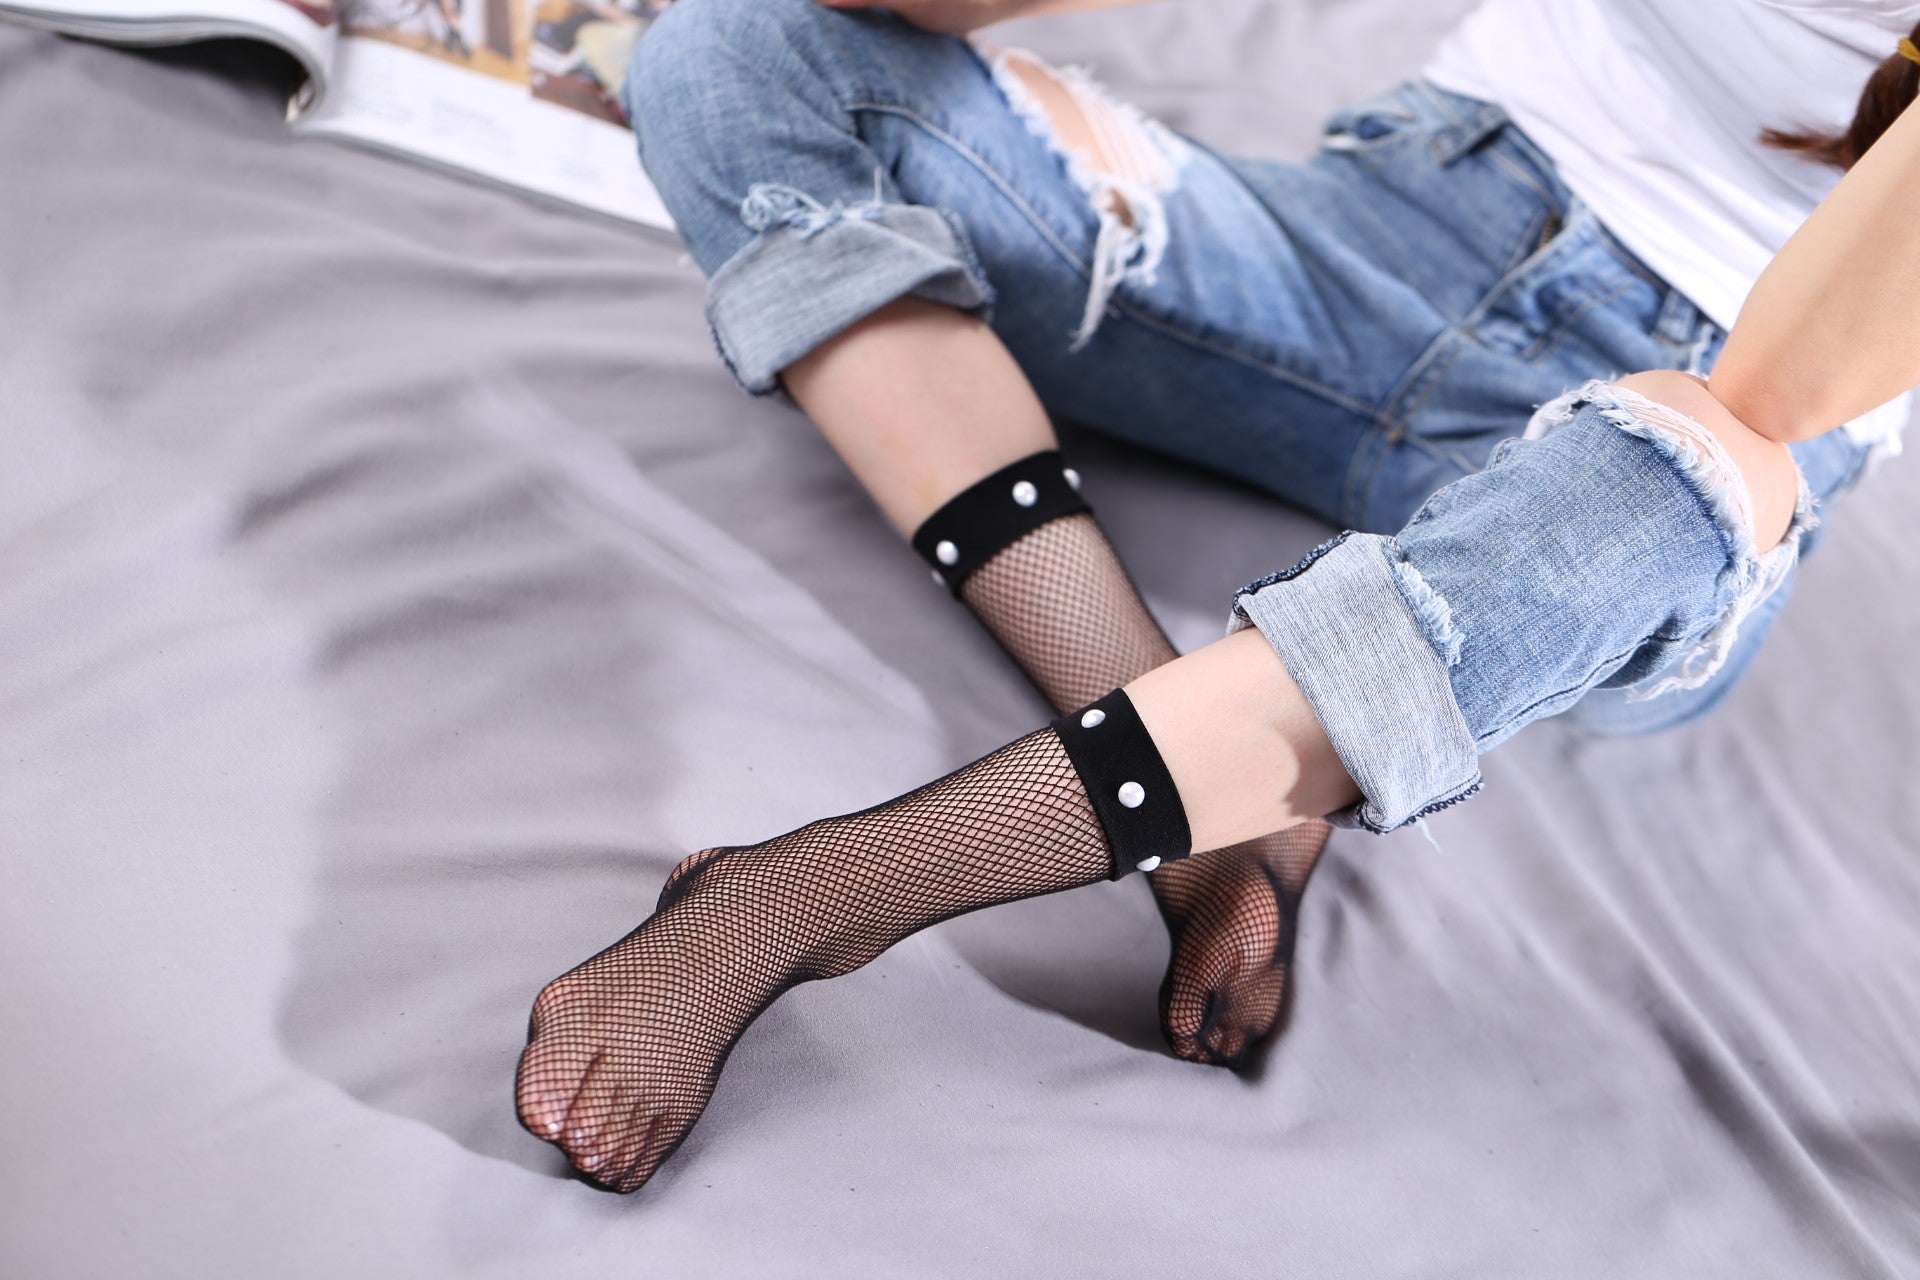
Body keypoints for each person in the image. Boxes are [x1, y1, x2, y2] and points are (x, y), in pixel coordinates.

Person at [514, 0, 1920, 1193]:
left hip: (1732, 369)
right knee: (730, 52)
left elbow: (1780, 388)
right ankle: (1205, 801)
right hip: (1406, 208)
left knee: (1676, 496)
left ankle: (817, 893)